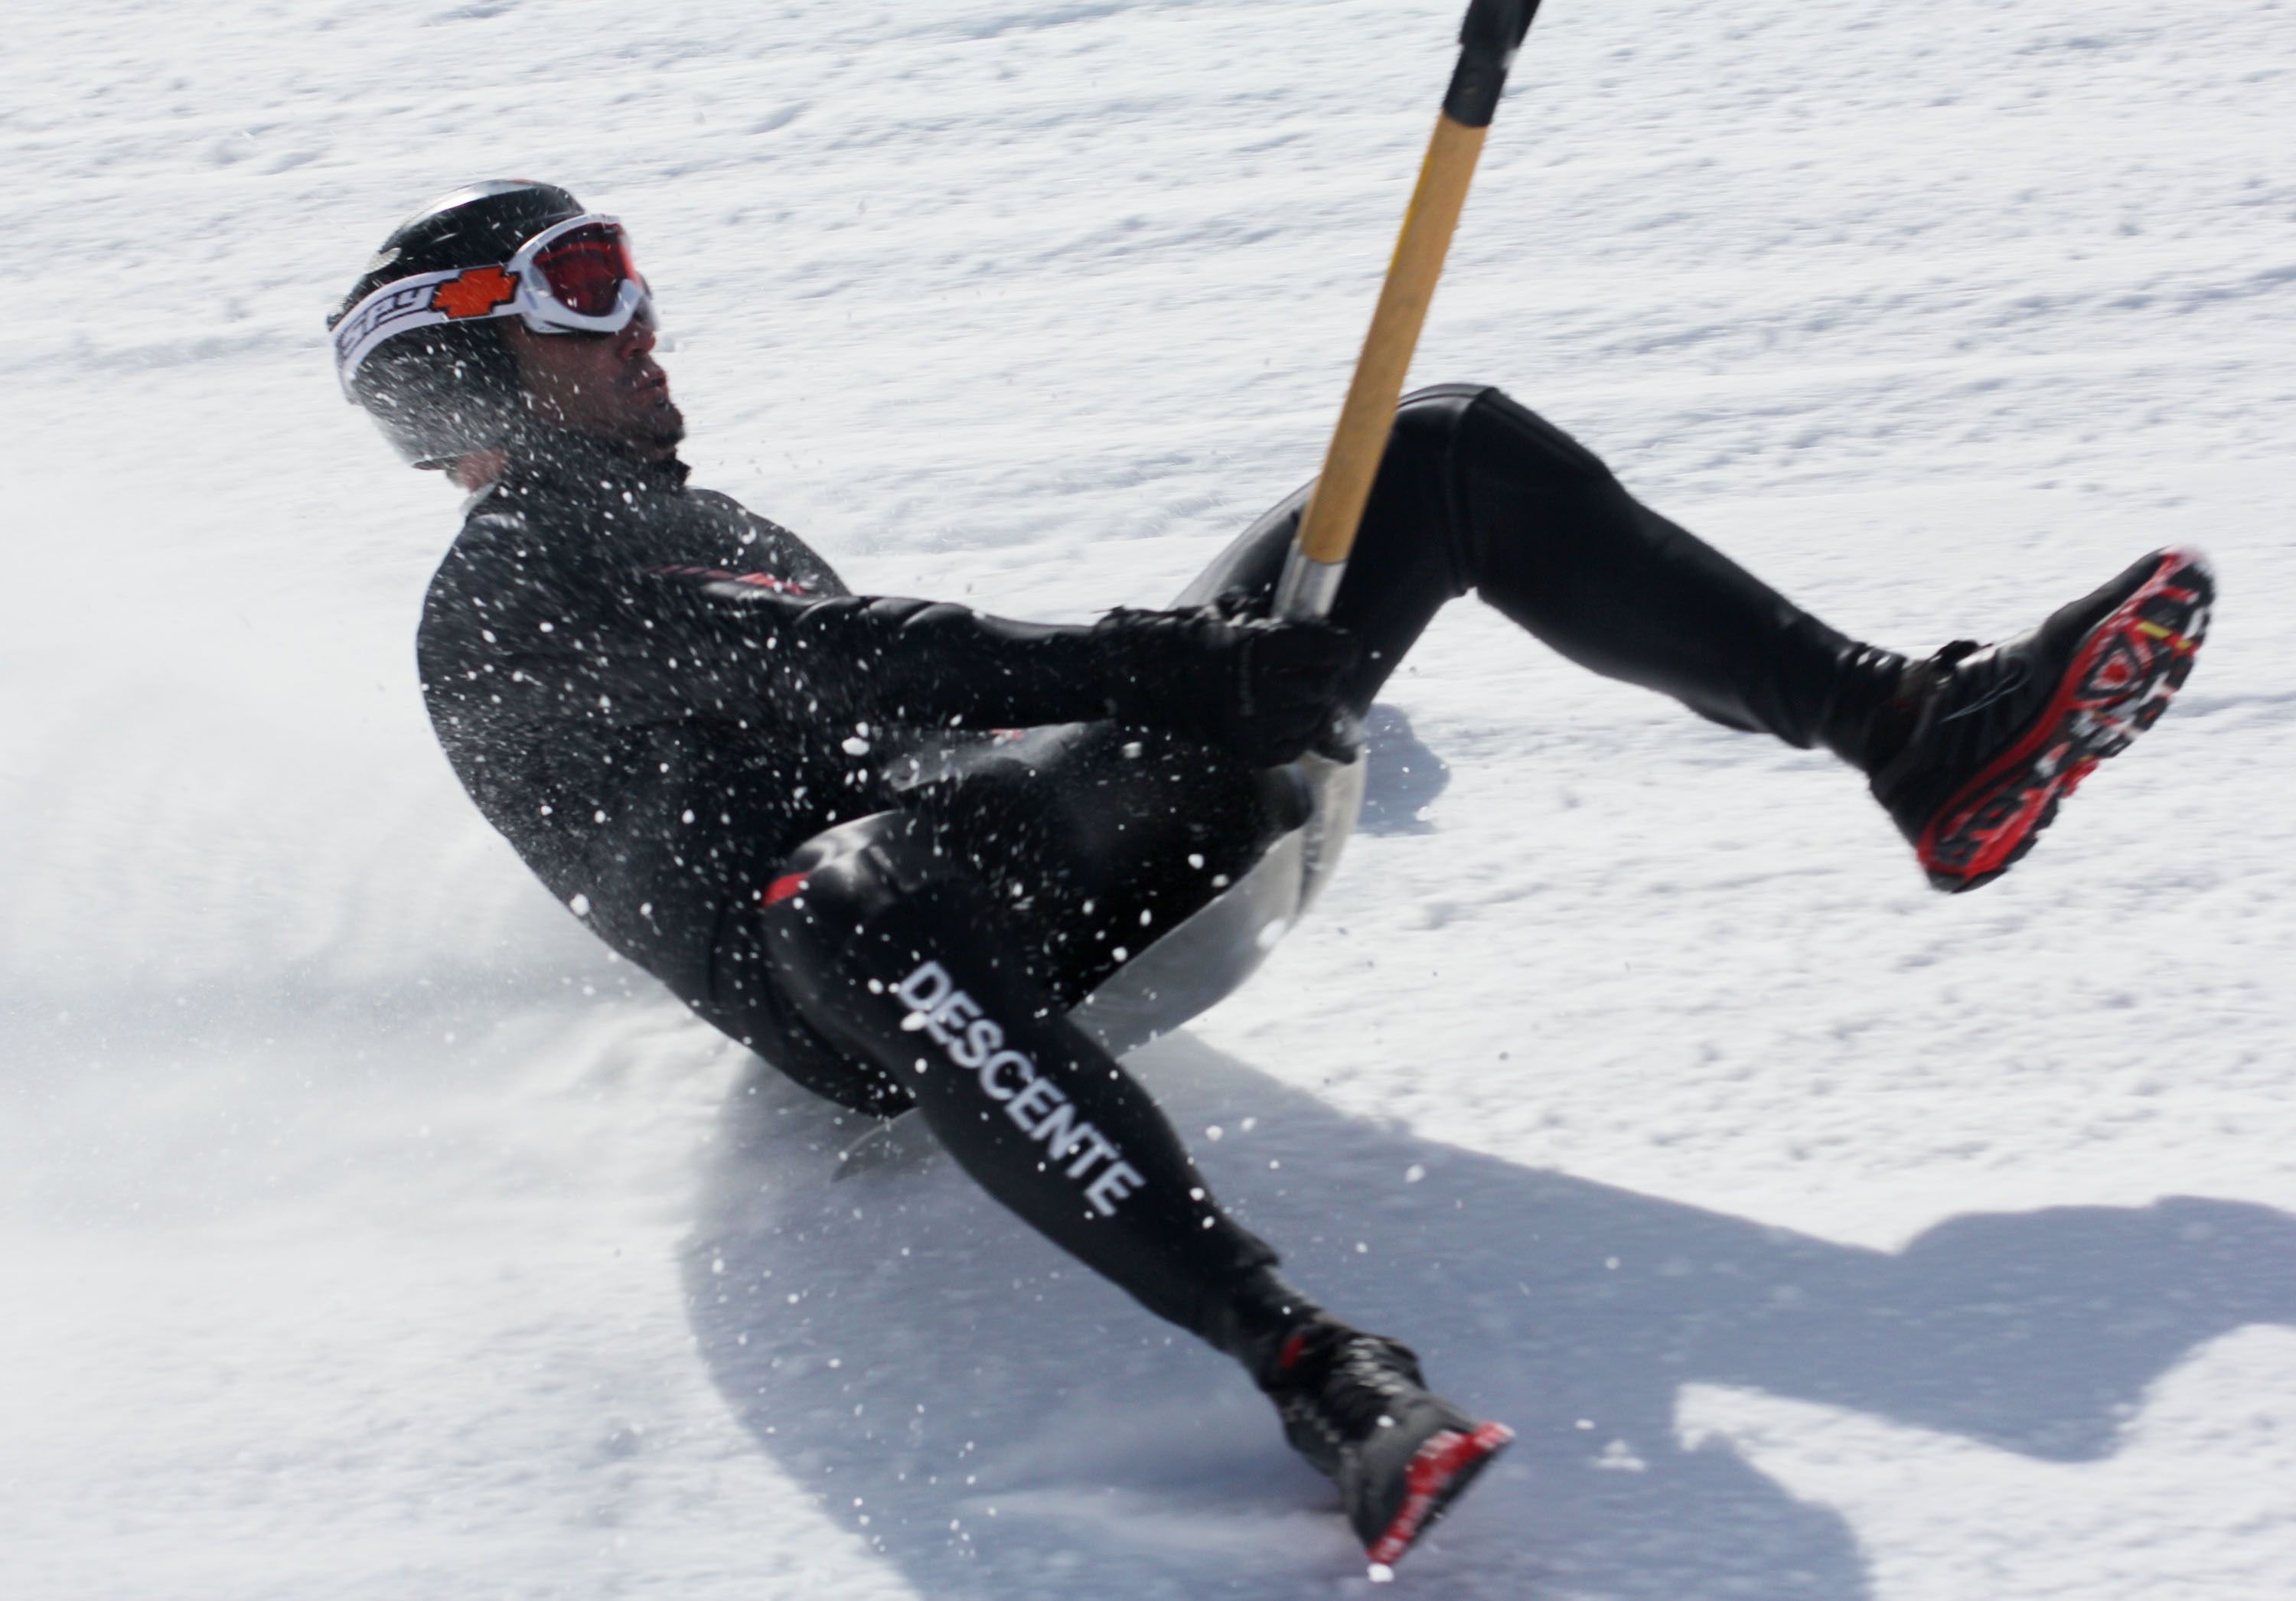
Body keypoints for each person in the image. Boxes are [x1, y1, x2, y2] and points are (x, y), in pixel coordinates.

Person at [331, 180, 2212, 1568]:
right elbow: (860, 668)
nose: (642, 310)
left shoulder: (683, 521)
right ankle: (1315, 1367)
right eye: (582, 289)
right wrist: (1172, 664)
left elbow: (928, 713)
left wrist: (1255, 683)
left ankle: (1920, 735)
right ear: (467, 372)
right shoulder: (519, 578)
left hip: (1027, 852)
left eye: (629, 264)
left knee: (1437, 453)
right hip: (885, 971)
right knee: (847, 892)